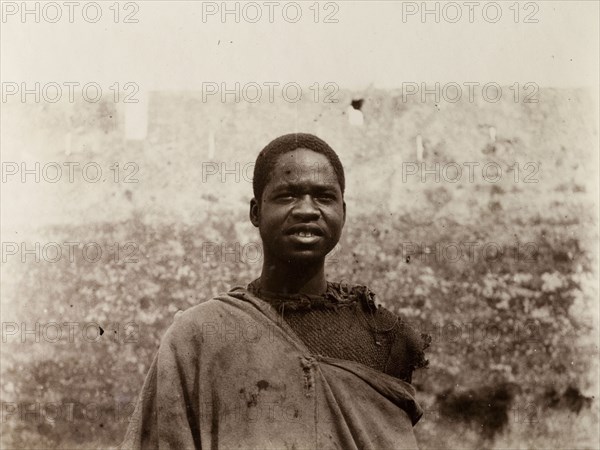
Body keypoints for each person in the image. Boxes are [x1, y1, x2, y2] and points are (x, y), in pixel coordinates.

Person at [121, 133, 429, 449]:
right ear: (256, 212)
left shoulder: (386, 336)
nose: (307, 210)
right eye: (287, 196)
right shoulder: (197, 335)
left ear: (343, 212)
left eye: (324, 197)